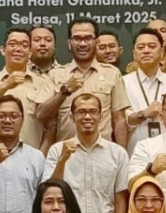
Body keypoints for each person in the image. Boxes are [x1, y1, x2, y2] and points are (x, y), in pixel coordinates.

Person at [43, 93, 130, 213]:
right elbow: (49, 192)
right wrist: (62, 160)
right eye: (81, 112)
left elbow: (120, 200)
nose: (87, 117)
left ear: (101, 116)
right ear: (72, 117)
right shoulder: (57, 150)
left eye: (93, 111)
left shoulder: (118, 153)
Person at [42, 17, 131, 148]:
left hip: (103, 152)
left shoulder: (112, 74)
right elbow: (42, 114)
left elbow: (120, 121)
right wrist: (64, 92)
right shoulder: (55, 74)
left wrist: (121, 154)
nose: (83, 43)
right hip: (67, 153)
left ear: (96, 41)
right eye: (77, 38)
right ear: (69, 43)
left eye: (88, 38)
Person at [0, 27, 56, 150]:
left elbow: (51, 126)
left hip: (30, 161)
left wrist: (40, 158)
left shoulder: (44, 83)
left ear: (30, 52)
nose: (18, 49)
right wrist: (5, 85)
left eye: (24, 45)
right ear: (3, 50)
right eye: (13, 44)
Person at [122, 28, 166, 154]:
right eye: (141, 47)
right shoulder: (122, 83)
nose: (146, 51)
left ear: (162, 52)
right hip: (134, 155)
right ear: (134, 54)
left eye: (151, 46)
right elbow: (120, 122)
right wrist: (144, 113)